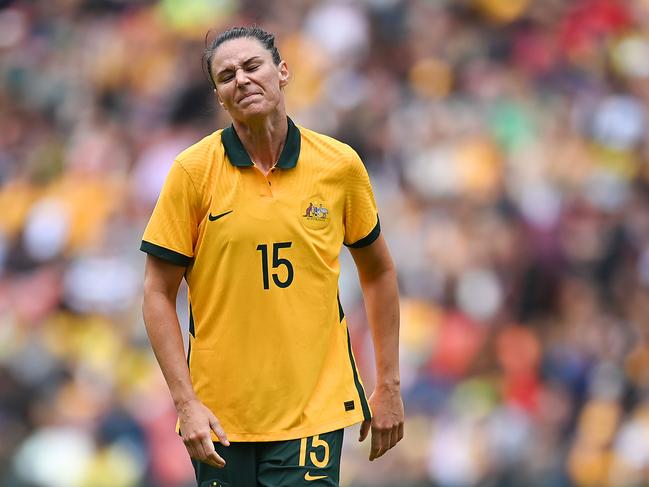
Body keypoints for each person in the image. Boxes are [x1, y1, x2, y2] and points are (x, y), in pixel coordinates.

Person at [140, 26, 403, 487]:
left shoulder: (339, 166)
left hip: (312, 408)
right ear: (219, 97)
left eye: (251, 66)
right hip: (222, 417)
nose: (240, 80)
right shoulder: (192, 172)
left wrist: (388, 385)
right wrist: (186, 404)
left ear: (283, 72)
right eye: (226, 76)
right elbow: (157, 293)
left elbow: (378, 272)